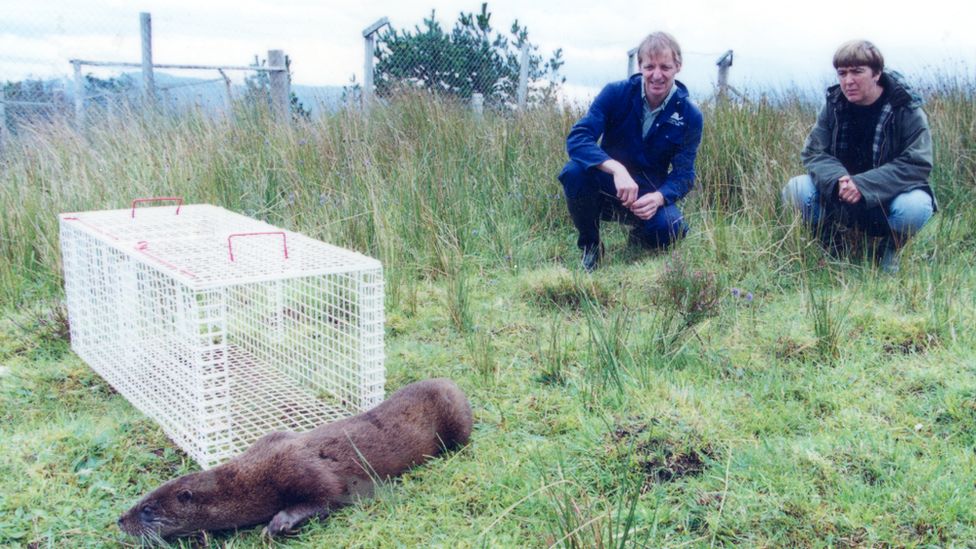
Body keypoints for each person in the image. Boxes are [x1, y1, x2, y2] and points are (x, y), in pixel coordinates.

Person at [782, 39, 935, 272]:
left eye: (857, 72)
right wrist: (839, 180)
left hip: (887, 199)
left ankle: (890, 251)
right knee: (797, 189)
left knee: (915, 206)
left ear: (877, 74)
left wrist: (862, 185)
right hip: (839, 195)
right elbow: (813, 152)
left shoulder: (905, 108)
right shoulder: (834, 105)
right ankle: (830, 245)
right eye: (842, 73)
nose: (848, 81)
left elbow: (917, 163)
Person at [557, 31, 704, 272]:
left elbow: (684, 175)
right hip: (608, 186)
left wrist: (658, 198)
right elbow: (578, 138)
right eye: (650, 67)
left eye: (665, 67)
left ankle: (640, 237)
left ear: (678, 66)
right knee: (574, 172)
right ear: (640, 66)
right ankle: (591, 247)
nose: (657, 75)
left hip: (647, 196)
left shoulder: (690, 115)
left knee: (672, 227)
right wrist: (616, 168)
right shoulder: (616, 93)